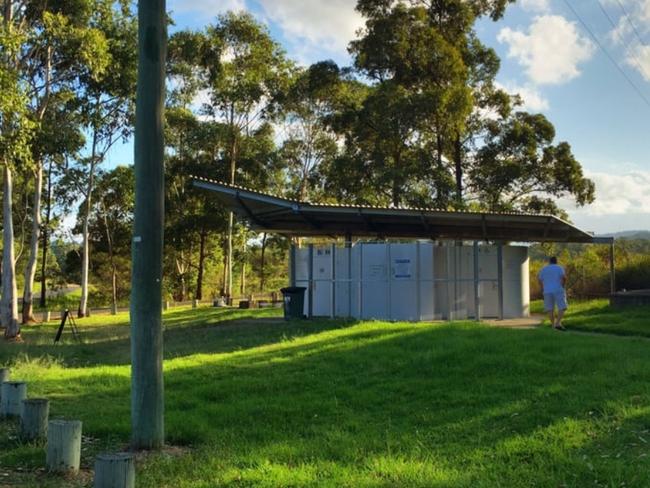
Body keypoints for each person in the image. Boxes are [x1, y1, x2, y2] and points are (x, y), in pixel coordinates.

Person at [537, 256, 568, 331]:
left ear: (549, 261)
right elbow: (564, 278)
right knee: (563, 307)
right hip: (558, 289)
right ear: (556, 261)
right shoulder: (559, 268)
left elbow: (539, 280)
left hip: (547, 290)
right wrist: (563, 286)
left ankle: (553, 325)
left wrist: (542, 288)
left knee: (550, 309)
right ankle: (558, 323)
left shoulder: (544, 269)